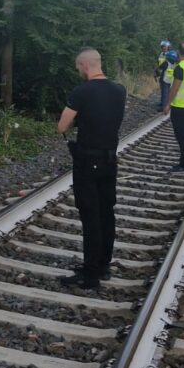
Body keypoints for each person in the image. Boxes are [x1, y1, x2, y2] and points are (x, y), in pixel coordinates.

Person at [57, 48, 127, 288]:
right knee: (107, 211)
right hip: (110, 160)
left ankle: (90, 275)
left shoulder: (82, 91)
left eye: (79, 67)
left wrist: (79, 117)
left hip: (87, 161)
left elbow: (62, 126)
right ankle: (104, 264)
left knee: (90, 215)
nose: (78, 71)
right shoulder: (119, 91)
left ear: (84, 65)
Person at [155, 40, 172, 109]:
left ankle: (164, 106)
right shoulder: (161, 54)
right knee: (162, 89)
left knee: (166, 90)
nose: (163, 48)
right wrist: (156, 72)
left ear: (168, 47)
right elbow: (158, 63)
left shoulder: (170, 55)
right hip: (162, 73)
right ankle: (162, 102)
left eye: (165, 47)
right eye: (162, 47)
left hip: (168, 73)